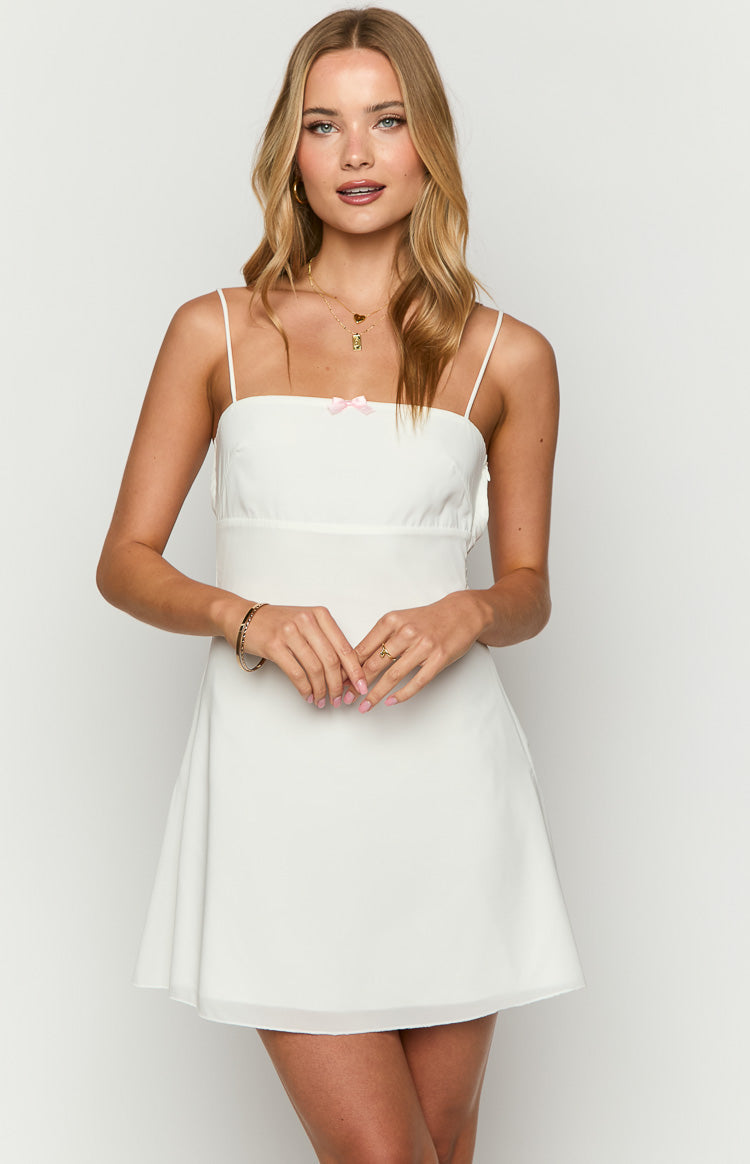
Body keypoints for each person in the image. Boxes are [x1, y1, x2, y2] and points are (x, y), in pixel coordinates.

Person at [97, 7, 584, 1162]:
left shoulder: (509, 355)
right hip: (279, 783)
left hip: (449, 783)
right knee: (383, 1153)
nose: (356, 153)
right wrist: (247, 618)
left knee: (444, 1142)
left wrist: (472, 608)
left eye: (386, 121)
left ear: (430, 146)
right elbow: (125, 562)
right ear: (293, 150)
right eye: (324, 125)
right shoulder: (214, 332)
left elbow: (528, 587)